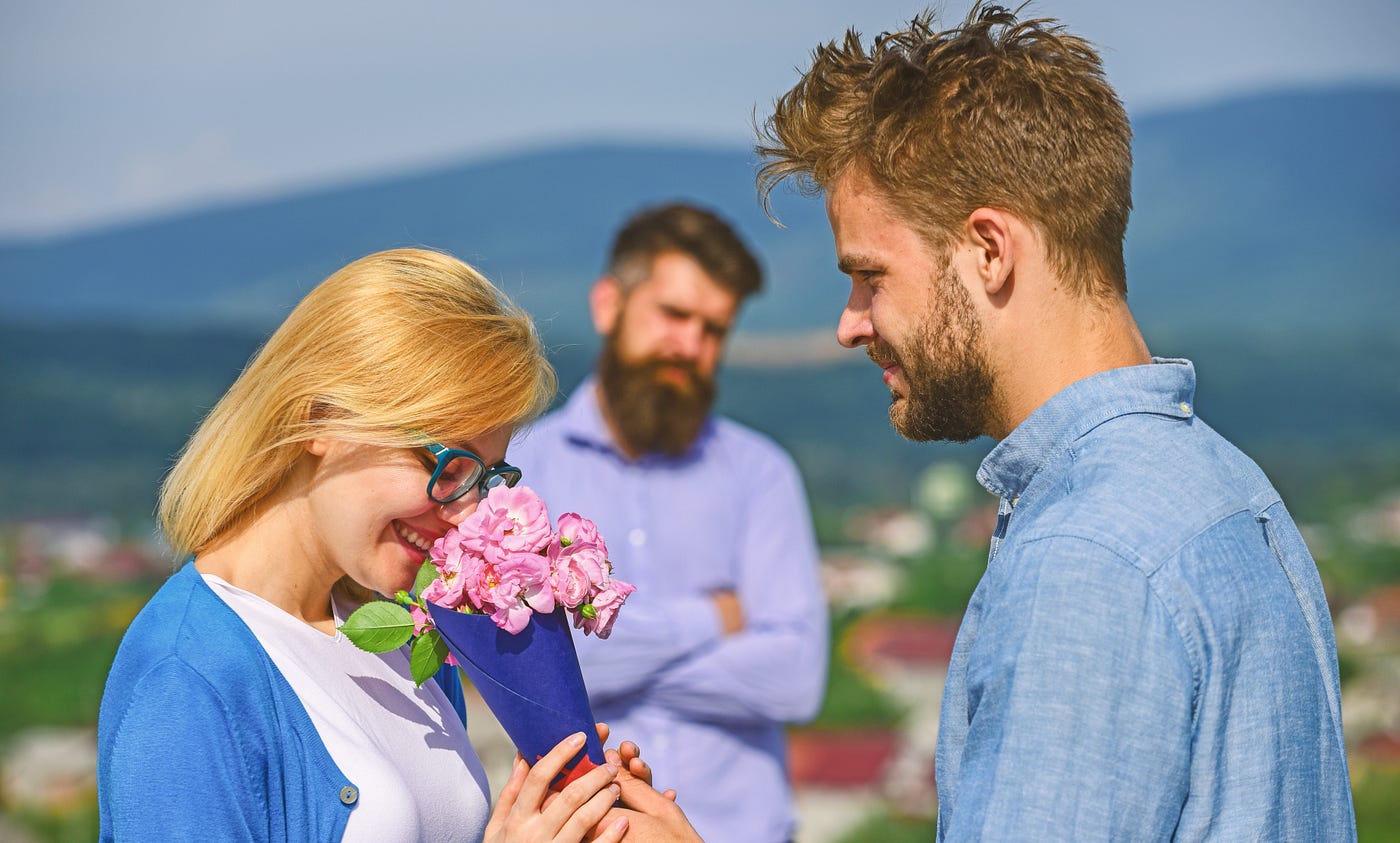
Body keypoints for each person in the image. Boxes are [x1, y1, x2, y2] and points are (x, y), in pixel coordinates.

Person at [756, 4, 1356, 840]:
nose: (850, 323)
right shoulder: (1229, 490)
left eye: (870, 275)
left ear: (990, 250)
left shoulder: (1086, 558)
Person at [97, 248, 700, 842]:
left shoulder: (399, 636)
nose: (465, 512)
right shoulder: (185, 677)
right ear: (325, 416)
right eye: (450, 463)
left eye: (486, 477)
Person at [510, 203, 829, 842]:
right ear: (608, 305)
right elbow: (522, 680)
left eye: (714, 329)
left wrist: (601, 675)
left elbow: (797, 680)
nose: (691, 345)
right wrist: (716, 618)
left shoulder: (761, 473)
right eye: (675, 315)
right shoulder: (522, 472)